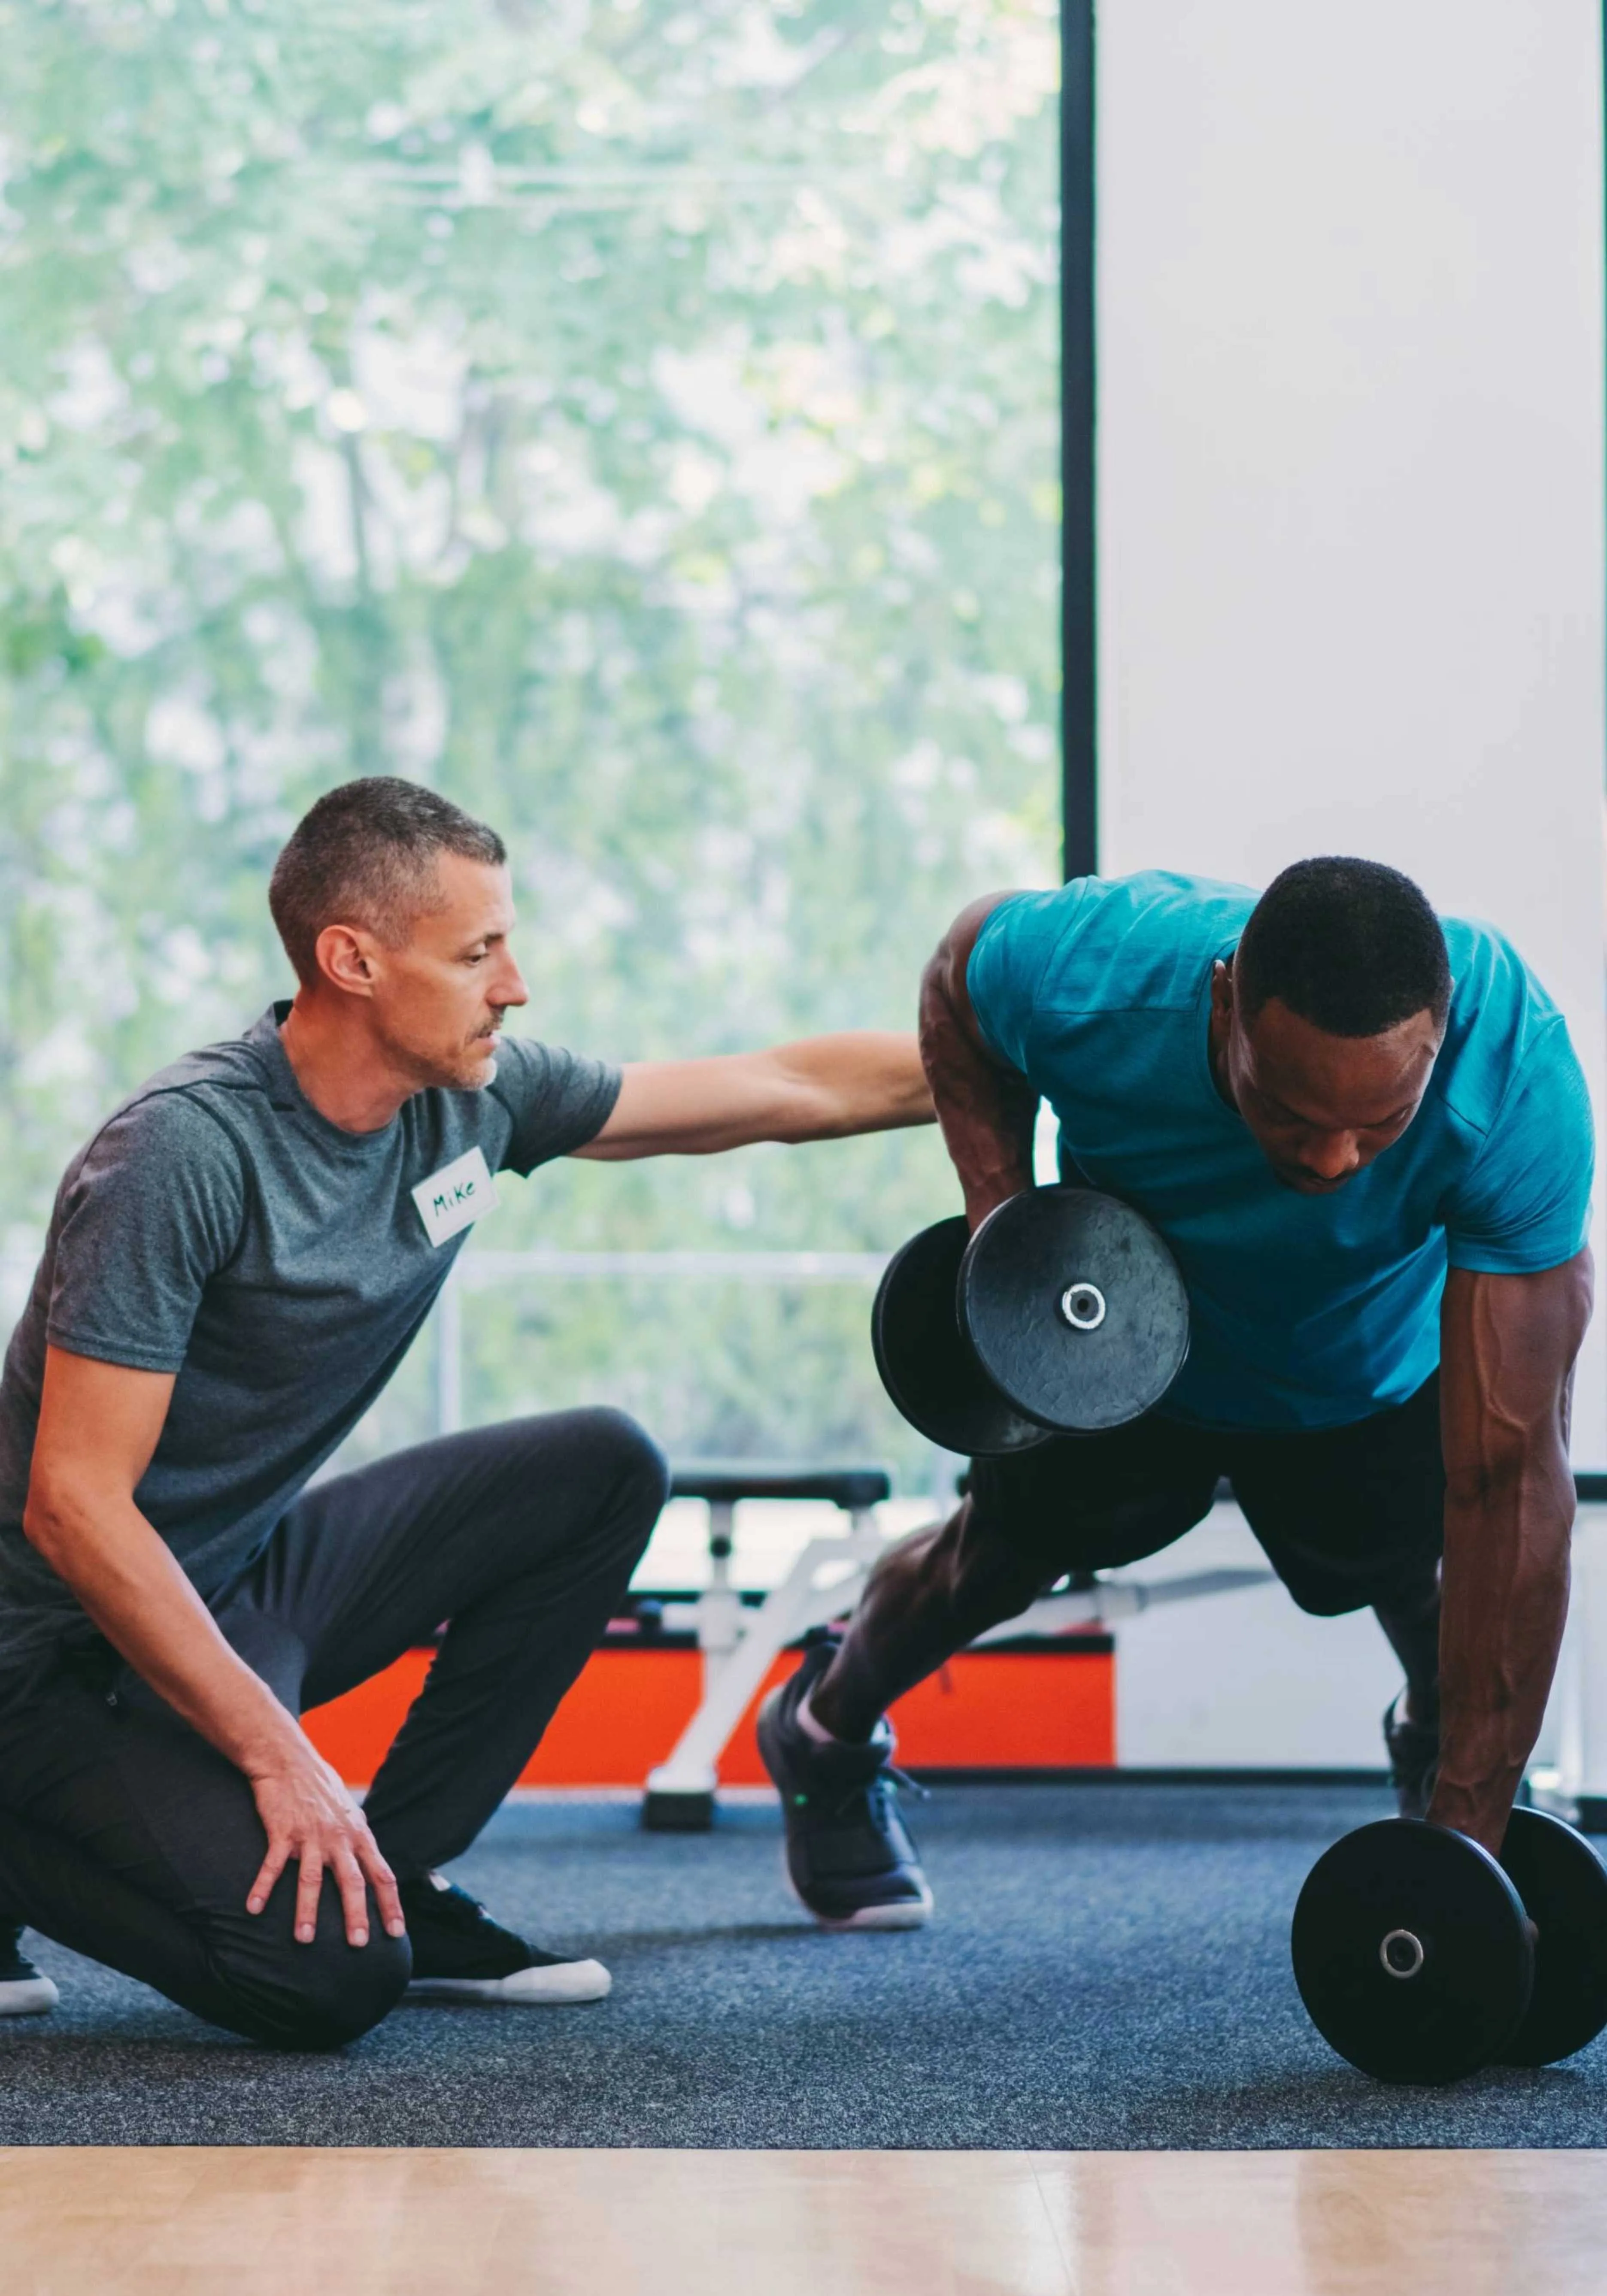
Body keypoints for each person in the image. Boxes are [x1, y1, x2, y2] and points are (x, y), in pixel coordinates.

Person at [0, 776, 931, 2044]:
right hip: (41, 1658)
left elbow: (785, 1091)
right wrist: (282, 1758)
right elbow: (74, 1508)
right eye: (480, 951)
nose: (516, 984)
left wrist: (1024, 1069)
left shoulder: (473, 1101)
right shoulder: (182, 1155)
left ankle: (402, 1869)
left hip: (219, 1584)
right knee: (323, 1978)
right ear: (354, 961)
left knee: (602, 1466)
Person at [758, 860, 1595, 1929]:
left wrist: (1466, 1868)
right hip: (1124, 1339)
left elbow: (1508, 1479)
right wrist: (1004, 1236)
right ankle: (824, 1736)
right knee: (989, 1565)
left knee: (1427, 1576)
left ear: (1436, 1040)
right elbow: (957, 981)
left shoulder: (1513, 1070)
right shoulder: (1097, 973)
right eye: (1292, 1115)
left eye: (1381, 1123)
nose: (1337, 1159)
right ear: (1224, 1004)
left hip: (1354, 1360)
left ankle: (1449, 1779)